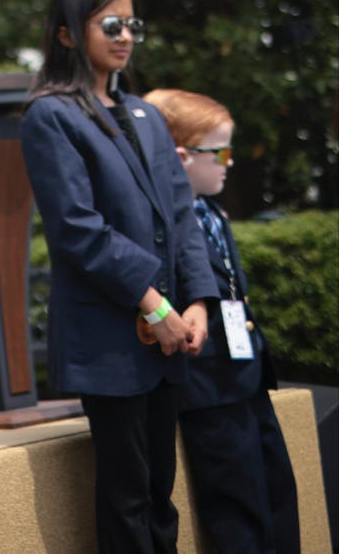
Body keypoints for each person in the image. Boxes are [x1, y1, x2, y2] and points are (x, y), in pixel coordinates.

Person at [19, 0, 216, 553]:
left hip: (167, 331)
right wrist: (156, 306)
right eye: (110, 24)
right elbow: (78, 230)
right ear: (66, 33)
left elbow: (181, 215)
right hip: (109, 337)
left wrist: (198, 301)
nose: (125, 36)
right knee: (127, 495)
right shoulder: (50, 115)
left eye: (132, 24)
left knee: (160, 491)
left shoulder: (146, 116)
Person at [142, 88, 300, 553]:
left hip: (245, 376)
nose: (230, 163)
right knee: (239, 508)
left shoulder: (211, 211)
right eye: (222, 152)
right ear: (181, 156)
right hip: (208, 386)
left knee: (278, 493)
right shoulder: (162, 224)